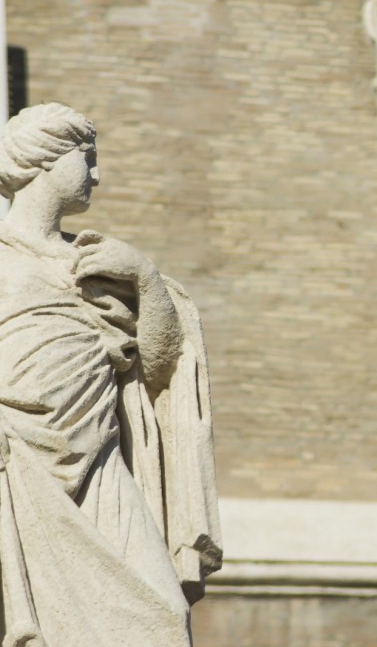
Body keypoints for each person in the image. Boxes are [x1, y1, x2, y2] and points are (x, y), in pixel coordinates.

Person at [0, 103, 221, 646]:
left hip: (99, 459)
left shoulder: (102, 262)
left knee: (161, 618)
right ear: (44, 159)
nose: (96, 173)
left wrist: (146, 281)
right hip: (18, 459)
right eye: (87, 157)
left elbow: (161, 368)